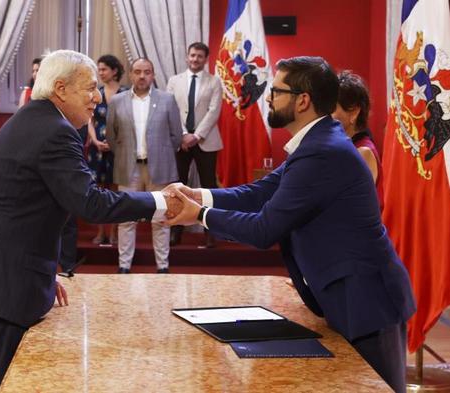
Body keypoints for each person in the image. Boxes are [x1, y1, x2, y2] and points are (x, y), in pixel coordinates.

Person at [165, 56, 416, 393]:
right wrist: (199, 194)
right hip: (351, 298)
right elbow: (259, 192)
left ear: (302, 100)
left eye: (276, 91)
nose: (268, 98)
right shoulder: (316, 142)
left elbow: (264, 229)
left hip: (367, 304)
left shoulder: (322, 151)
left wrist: (199, 215)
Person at [0, 50, 178, 392]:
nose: (97, 98)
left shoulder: (26, 121)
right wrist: (162, 202)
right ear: (60, 88)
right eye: (90, 88)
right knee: (2, 384)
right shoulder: (55, 131)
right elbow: (91, 203)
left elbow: (19, 206)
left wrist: (37, 268)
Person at [106, 58, 182, 274]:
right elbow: (112, 137)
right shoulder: (117, 101)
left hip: (159, 169)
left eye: (146, 72)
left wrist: (162, 153)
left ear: (153, 75)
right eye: (137, 72)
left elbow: (176, 136)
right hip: (128, 169)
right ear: (130, 75)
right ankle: (124, 266)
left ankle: (163, 266)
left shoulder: (167, 100)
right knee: (126, 219)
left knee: (160, 218)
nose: (142, 76)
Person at [166, 42, 222, 248]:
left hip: (206, 141)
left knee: (209, 188)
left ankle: (210, 232)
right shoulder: (174, 81)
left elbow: (214, 111)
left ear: (206, 59)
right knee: (178, 187)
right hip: (180, 142)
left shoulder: (214, 81)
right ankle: (175, 231)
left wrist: (196, 136)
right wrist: (182, 134)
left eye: (200, 56)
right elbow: (170, 109)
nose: (195, 59)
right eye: (192, 55)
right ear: (187, 57)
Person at [87, 54, 127, 245]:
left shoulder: (126, 93)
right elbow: (90, 120)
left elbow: (131, 122)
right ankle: (100, 232)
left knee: (116, 192)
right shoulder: (96, 92)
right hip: (98, 150)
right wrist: (94, 140)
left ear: (114, 71)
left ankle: (115, 233)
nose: (100, 72)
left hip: (119, 150)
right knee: (98, 192)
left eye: (103, 69)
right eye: (99, 69)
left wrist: (115, 142)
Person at [333, 70, 383, 208]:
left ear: (354, 112)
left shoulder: (362, 152)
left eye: (331, 108)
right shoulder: (347, 148)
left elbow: (346, 206)